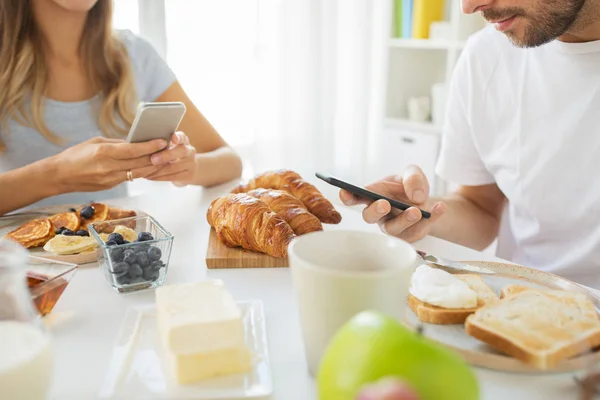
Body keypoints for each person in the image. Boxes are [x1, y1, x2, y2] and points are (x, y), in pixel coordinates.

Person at [341, 0, 600, 289]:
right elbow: (481, 208)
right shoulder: (486, 56)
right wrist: (421, 214)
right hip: (515, 302)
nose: (469, 6)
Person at [0, 0, 243, 216]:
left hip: (114, 258)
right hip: (23, 261)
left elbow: (230, 162)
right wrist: (57, 175)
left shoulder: (133, 55)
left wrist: (189, 168)